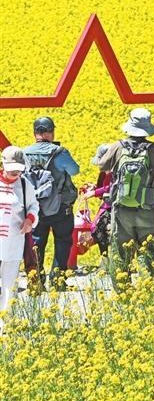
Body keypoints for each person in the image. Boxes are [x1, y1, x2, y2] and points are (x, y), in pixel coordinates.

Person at [98, 108, 154, 290]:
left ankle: (123, 292)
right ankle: (146, 290)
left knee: (120, 251)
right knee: (148, 250)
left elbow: (102, 166)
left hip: (122, 210)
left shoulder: (118, 147)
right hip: (148, 209)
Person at [23, 116, 80, 290]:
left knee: (36, 242)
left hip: (35, 208)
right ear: (51, 132)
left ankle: (36, 280)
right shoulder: (59, 152)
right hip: (60, 207)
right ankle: (57, 281)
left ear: (35, 133)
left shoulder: (25, 153)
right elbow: (74, 171)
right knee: (62, 241)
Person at [0, 147, 39, 312]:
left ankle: (7, 320)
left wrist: (30, 219)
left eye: (18, 170)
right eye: (11, 170)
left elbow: (34, 206)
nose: (15, 173)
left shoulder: (24, 185)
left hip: (14, 242)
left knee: (10, 285)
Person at [82, 144, 112, 270]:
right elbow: (103, 189)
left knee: (99, 229)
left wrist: (94, 192)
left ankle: (107, 262)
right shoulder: (104, 172)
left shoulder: (115, 171)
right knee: (98, 230)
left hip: (113, 206)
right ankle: (105, 260)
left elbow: (111, 187)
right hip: (107, 204)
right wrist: (94, 188)